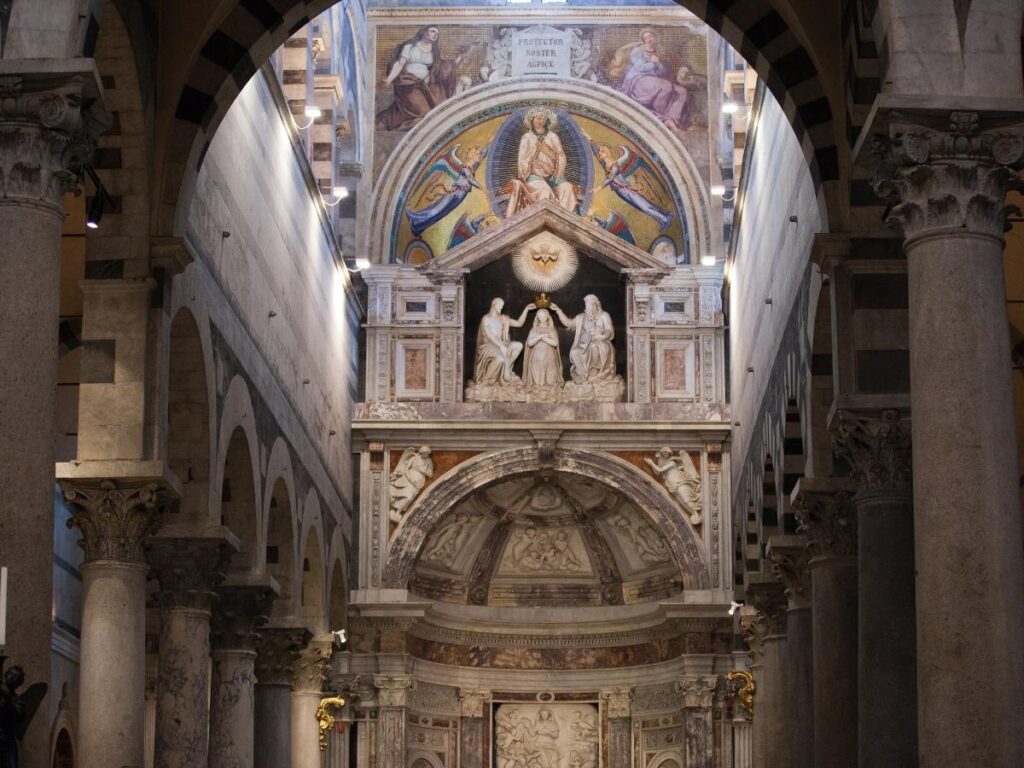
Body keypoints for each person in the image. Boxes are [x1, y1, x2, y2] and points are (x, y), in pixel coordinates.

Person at [377, 27, 470, 131]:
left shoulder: (434, 51)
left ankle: (389, 120)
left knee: (432, 112)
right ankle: (389, 122)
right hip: (407, 85)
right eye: (432, 31)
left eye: (437, 33)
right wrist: (388, 80)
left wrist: (459, 59)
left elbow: (442, 66)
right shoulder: (410, 47)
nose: (435, 34)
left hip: (423, 87)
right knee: (424, 113)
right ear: (424, 32)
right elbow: (399, 64)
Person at [607, 28, 689, 130]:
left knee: (682, 91)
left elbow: (661, 72)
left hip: (654, 81)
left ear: (655, 37)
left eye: (650, 36)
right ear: (643, 40)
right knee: (665, 86)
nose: (648, 39)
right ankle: (660, 121)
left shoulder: (658, 52)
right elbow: (640, 67)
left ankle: (671, 120)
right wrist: (654, 63)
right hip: (637, 80)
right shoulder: (638, 51)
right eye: (645, 38)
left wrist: (658, 63)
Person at [505, 108, 579, 217]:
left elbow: (561, 156)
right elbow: (522, 160)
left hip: (552, 177)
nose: (541, 121)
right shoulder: (527, 138)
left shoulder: (553, 137)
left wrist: (547, 151)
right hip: (533, 177)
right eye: (538, 118)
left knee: (567, 188)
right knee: (545, 191)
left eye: (544, 118)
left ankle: (570, 222)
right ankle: (544, 222)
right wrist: (534, 159)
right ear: (532, 120)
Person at [549, 295, 616, 384]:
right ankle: (583, 375)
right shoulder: (581, 317)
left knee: (594, 347)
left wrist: (601, 336)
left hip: (600, 341)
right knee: (574, 352)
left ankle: (594, 371)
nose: (587, 307)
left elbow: (609, 330)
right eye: (586, 305)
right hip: (583, 344)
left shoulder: (604, 315)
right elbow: (568, 323)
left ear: (595, 305)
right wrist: (558, 311)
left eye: (589, 305)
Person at [473, 298, 534, 387]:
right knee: (500, 358)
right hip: (489, 346)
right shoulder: (486, 319)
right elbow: (489, 335)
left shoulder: (503, 318)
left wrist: (526, 310)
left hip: (502, 345)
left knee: (518, 345)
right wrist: (500, 345)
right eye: (500, 306)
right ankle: (485, 380)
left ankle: (506, 369)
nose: (501, 308)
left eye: (502, 306)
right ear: (494, 305)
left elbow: (519, 323)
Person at [523, 308, 563, 388]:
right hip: (537, 359)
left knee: (550, 382)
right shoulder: (534, 329)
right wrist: (540, 336)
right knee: (539, 383)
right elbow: (529, 343)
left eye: (544, 315)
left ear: (547, 316)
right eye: (540, 315)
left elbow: (555, 343)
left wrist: (544, 338)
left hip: (549, 359)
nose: (542, 317)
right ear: (537, 317)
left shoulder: (551, 329)